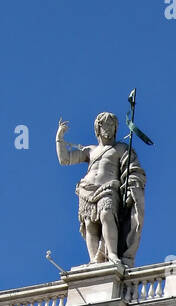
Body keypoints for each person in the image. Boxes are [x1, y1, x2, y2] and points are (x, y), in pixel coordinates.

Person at [56, 112, 146, 267]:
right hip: (86, 189)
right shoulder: (90, 150)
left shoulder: (121, 148)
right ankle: (94, 260)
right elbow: (65, 159)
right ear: (98, 128)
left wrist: (132, 184)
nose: (108, 128)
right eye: (105, 125)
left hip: (109, 188)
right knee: (89, 224)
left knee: (106, 215)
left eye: (112, 125)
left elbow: (133, 169)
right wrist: (59, 138)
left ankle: (111, 254)